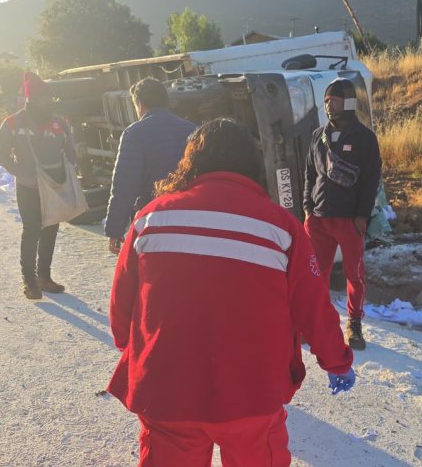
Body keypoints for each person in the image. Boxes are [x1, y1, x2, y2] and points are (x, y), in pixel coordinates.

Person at [108, 119, 355, 467]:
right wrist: (337, 361)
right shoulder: (280, 227)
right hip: (251, 394)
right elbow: (312, 306)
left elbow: (123, 302)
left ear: (190, 161)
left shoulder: (150, 219)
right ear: (252, 164)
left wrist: (134, 349)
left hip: (167, 391)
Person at [303, 78, 382, 351]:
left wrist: (362, 215)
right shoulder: (317, 136)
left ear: (347, 102)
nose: (329, 105)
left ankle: (355, 323)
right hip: (319, 219)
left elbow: (372, 180)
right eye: (326, 101)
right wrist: (306, 209)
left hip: (349, 220)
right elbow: (310, 174)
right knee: (316, 274)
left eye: (334, 100)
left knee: (354, 274)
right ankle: (318, 323)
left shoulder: (365, 139)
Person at [0, 72, 76, 299]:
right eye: (43, 98)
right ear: (31, 99)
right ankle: (30, 281)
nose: (48, 102)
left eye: (50, 98)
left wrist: (69, 169)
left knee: (51, 229)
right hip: (28, 187)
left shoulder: (60, 123)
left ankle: (44, 277)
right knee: (32, 231)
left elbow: (71, 151)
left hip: (54, 187)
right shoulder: (12, 123)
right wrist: (21, 172)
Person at [104, 77, 196, 254]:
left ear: (140, 104)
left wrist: (114, 230)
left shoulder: (134, 133)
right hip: (190, 215)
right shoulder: (192, 129)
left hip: (154, 217)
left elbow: (124, 186)